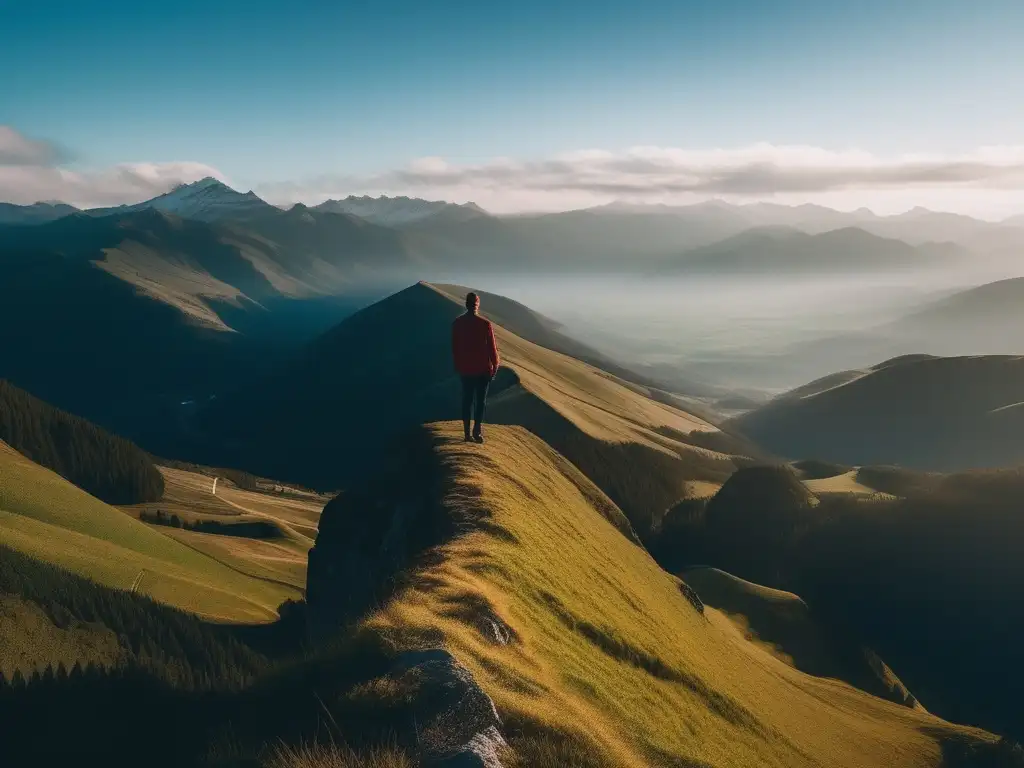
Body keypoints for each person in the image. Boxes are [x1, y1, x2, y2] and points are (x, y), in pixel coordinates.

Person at [451, 292, 500, 443]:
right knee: (480, 402)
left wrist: (459, 366)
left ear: (466, 304)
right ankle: (477, 432)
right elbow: (493, 350)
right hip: (482, 370)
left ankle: (467, 434)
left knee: (467, 400)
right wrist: (495, 368)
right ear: (477, 305)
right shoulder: (485, 324)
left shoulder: (457, 323)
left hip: (466, 370)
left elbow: (455, 349)